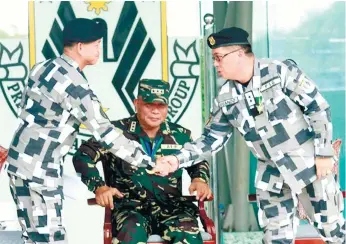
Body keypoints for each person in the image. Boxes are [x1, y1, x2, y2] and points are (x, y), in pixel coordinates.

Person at [154, 27, 345, 243]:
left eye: (218, 58)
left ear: (239, 54)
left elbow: (317, 108)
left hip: (309, 165)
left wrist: (324, 154)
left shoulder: (280, 72)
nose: (215, 64)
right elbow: (210, 139)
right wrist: (176, 159)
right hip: (271, 175)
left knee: (333, 231)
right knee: (275, 238)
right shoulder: (225, 97)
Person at [5, 18, 151, 244]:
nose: (99, 50)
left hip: (20, 164)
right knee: (49, 238)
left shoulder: (42, 67)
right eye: (96, 44)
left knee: (33, 237)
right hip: (41, 170)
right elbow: (103, 130)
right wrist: (147, 160)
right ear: (81, 47)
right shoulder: (72, 82)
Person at [73, 79, 212, 244]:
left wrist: (199, 179)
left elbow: (196, 160)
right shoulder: (116, 133)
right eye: (149, 105)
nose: (155, 111)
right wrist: (99, 187)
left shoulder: (180, 135)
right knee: (132, 233)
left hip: (173, 208)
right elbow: (82, 156)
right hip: (130, 210)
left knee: (188, 233)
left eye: (161, 106)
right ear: (136, 103)